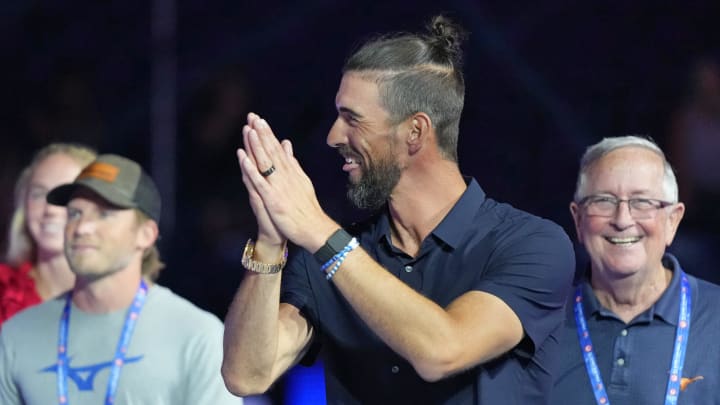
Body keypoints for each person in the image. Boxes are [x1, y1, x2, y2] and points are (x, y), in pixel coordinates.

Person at [222, 15, 575, 404]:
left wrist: (320, 230)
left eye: (352, 119)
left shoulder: (531, 245)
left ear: (415, 132)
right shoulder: (329, 258)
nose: (333, 136)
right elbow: (247, 375)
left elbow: (443, 351)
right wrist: (270, 242)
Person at [0, 154, 240, 404]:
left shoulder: (197, 336)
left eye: (104, 214)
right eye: (74, 213)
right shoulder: (16, 335)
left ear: (146, 234)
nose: (82, 227)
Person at [550, 136, 720, 404]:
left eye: (642, 202)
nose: (622, 220)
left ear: (672, 220)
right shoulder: (539, 324)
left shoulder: (716, 318)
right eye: (604, 201)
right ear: (578, 219)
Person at [0, 143, 96, 324]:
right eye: (38, 194)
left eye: (66, 195)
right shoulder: (3, 292)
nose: (50, 209)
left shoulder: (124, 302)